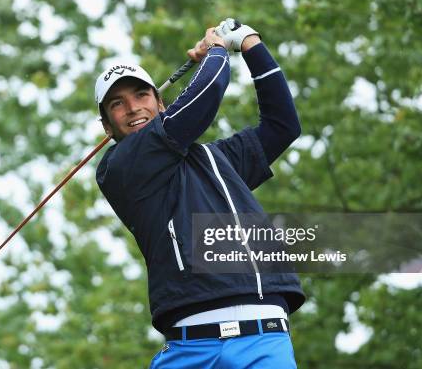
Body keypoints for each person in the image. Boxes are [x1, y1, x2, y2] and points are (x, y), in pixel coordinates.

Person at [94, 19, 305, 368]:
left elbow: (283, 125)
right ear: (107, 125)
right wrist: (218, 48)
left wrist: (250, 43)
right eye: (117, 104)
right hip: (189, 348)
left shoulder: (217, 160)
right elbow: (200, 101)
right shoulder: (119, 168)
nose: (132, 108)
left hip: (264, 337)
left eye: (141, 95)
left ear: (160, 103)